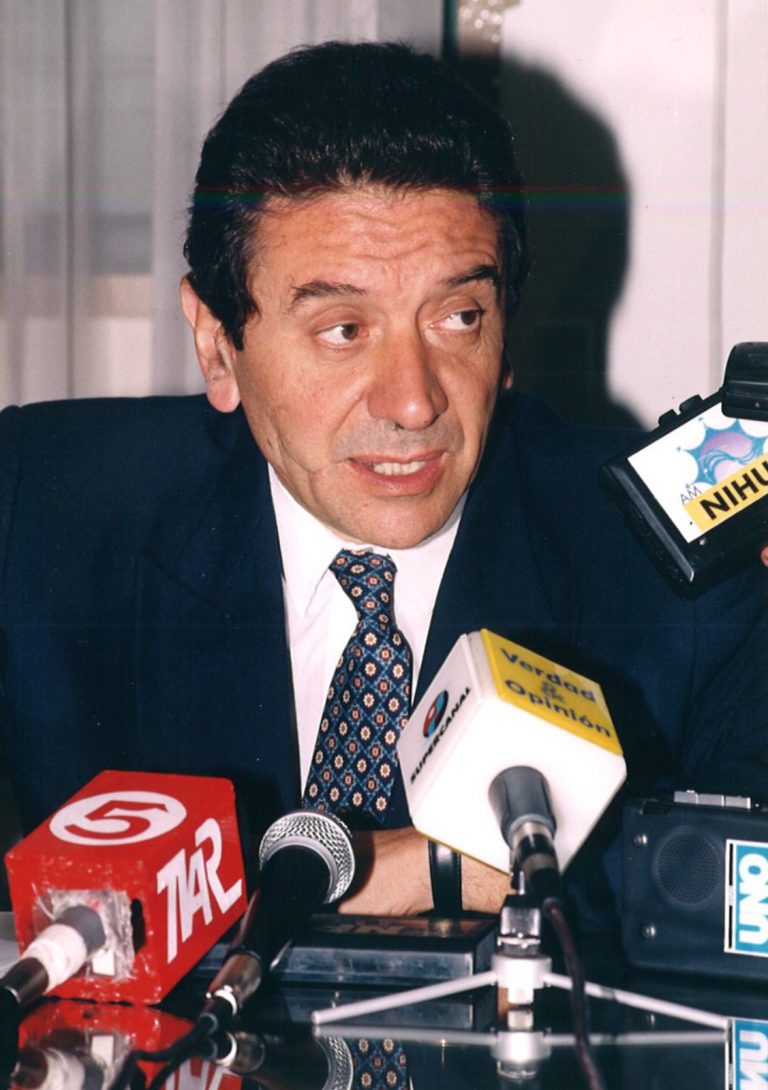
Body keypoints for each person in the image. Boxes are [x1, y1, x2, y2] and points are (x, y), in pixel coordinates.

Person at [0, 41, 765, 931]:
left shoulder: (669, 564)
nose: (413, 401)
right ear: (217, 346)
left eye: (459, 316)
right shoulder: (40, 508)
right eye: (343, 330)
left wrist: (428, 869)